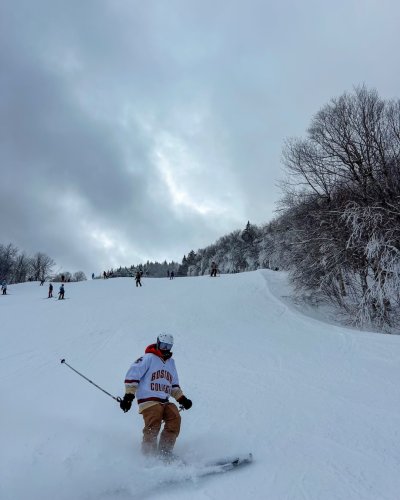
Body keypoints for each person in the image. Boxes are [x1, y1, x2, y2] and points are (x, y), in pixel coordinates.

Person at [120, 333, 192, 458]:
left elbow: (173, 385)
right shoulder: (148, 358)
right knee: (155, 419)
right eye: (163, 345)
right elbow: (133, 376)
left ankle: (165, 453)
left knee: (175, 416)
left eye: (168, 346)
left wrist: (182, 399)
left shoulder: (171, 363)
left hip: (164, 400)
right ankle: (148, 457)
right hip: (149, 401)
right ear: (158, 343)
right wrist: (128, 397)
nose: (165, 348)